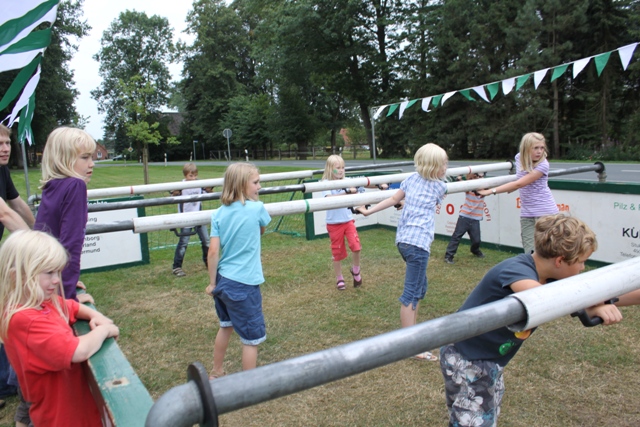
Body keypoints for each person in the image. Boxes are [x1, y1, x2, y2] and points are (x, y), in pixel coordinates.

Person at [439, 214, 623, 426]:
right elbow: (545, 297)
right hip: (467, 356)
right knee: (474, 420)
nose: (583, 268)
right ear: (560, 261)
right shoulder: (517, 269)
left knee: (481, 414)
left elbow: (593, 292)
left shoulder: (550, 277)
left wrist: (601, 300)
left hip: (488, 359)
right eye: (581, 262)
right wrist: (594, 303)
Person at [0, 230, 119, 427]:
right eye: (49, 273)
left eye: (57, 272)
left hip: (77, 409)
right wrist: (104, 330)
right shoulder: (24, 320)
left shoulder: (42, 302)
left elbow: (70, 306)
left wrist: (96, 316)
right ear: (17, 276)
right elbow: (77, 350)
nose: (56, 280)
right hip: (63, 418)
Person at [359, 143, 448, 361]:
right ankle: (411, 346)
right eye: (444, 164)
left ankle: (413, 333)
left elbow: (393, 199)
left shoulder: (410, 180)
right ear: (433, 167)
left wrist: (369, 211)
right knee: (411, 294)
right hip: (418, 245)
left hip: (404, 241)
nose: (446, 168)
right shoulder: (440, 187)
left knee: (420, 287)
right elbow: (430, 194)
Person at [205, 163, 271, 379]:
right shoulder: (257, 208)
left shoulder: (217, 214)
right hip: (245, 284)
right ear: (243, 185)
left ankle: (216, 371)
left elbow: (213, 252)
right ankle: (248, 385)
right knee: (251, 339)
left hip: (223, 281)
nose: (259, 187)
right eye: (256, 182)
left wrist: (212, 283)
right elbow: (261, 229)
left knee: (226, 326)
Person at [34, 127, 95, 304]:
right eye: (85, 157)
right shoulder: (75, 186)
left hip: (38, 275)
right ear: (63, 159)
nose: (91, 164)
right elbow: (70, 244)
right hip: (52, 283)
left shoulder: (52, 185)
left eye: (91, 157)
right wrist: (68, 297)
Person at [0, 124, 35, 408]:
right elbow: (5, 215)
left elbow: (18, 205)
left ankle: (4, 381)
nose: (4, 149)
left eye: (7, 143)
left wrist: (43, 232)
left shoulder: (2, 171)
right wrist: (38, 247)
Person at [478, 132, 558, 254]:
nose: (539, 152)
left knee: (547, 250)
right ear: (526, 148)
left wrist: (490, 191)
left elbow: (519, 183)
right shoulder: (519, 158)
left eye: (542, 148)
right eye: (535, 148)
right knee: (529, 251)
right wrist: (511, 188)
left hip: (545, 212)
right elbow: (521, 179)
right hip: (527, 211)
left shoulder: (543, 165)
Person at [321, 155, 365, 290]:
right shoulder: (325, 183)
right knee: (337, 252)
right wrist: (346, 192)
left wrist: (381, 185)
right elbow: (329, 198)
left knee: (356, 246)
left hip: (348, 221)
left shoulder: (347, 181)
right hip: (334, 223)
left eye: (343, 167)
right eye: (338, 168)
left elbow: (362, 184)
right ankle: (339, 277)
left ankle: (356, 270)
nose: (341, 170)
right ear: (330, 169)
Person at [171, 163, 212, 277]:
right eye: (190, 176)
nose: (193, 178)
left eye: (195, 175)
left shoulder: (200, 184)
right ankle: (177, 266)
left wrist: (210, 189)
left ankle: (209, 263)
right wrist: (174, 193)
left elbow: (208, 192)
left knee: (206, 240)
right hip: (186, 219)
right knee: (183, 242)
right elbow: (173, 195)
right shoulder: (181, 186)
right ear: (185, 175)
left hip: (199, 217)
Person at [444, 172, 486, 264]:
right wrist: (458, 179)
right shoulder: (468, 187)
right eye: (475, 177)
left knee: (476, 240)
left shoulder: (484, 187)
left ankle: (475, 251)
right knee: (456, 237)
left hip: (476, 218)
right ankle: (448, 256)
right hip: (465, 216)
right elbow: (464, 185)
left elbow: (484, 188)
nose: (478, 178)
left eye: (479, 177)